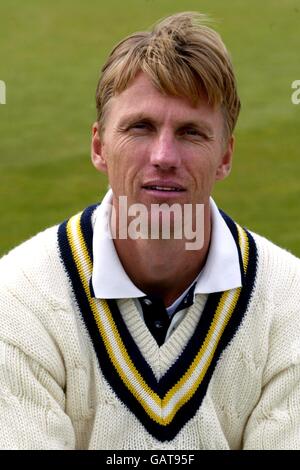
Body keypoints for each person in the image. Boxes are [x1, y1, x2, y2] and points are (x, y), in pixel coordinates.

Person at [0, 11, 300, 451]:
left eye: (191, 132)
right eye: (140, 127)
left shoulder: (290, 301)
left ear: (225, 156)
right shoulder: (17, 297)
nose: (164, 156)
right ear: (99, 146)